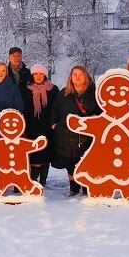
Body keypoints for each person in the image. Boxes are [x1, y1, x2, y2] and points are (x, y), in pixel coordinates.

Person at [50, 65, 100, 195]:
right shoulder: (64, 93)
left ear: (85, 77)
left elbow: (100, 110)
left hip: (86, 135)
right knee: (69, 161)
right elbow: (55, 109)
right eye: (75, 74)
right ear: (70, 77)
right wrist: (53, 123)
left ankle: (86, 187)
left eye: (80, 74)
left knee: (85, 160)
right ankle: (74, 187)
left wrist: (96, 118)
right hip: (65, 134)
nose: (77, 77)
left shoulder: (94, 93)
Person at [23, 64, 59, 186]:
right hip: (31, 127)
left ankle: (43, 180)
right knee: (34, 154)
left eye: (41, 74)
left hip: (48, 127)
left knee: (46, 153)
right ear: (32, 75)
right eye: (36, 74)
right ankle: (33, 180)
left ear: (45, 75)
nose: (38, 76)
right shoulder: (26, 90)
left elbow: (56, 107)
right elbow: (24, 109)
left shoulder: (53, 89)